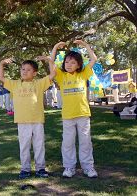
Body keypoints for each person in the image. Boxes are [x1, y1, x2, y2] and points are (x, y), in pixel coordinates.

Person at [0, 57, 55, 179]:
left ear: (34, 73)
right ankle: (25, 169)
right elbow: (1, 78)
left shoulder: (39, 83)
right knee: (24, 146)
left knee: (39, 145)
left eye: (28, 70)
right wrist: (2, 64)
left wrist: (49, 60)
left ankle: (40, 168)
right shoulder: (15, 84)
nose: (24, 71)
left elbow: (52, 74)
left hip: (37, 120)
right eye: (23, 69)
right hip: (22, 121)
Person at [50, 40, 98, 178]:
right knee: (68, 143)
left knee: (85, 142)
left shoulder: (83, 74)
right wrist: (55, 47)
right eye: (66, 62)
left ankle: (88, 167)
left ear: (78, 65)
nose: (69, 65)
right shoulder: (61, 75)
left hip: (83, 114)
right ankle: (69, 167)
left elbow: (94, 58)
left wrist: (85, 45)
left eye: (72, 62)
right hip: (67, 116)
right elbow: (51, 63)